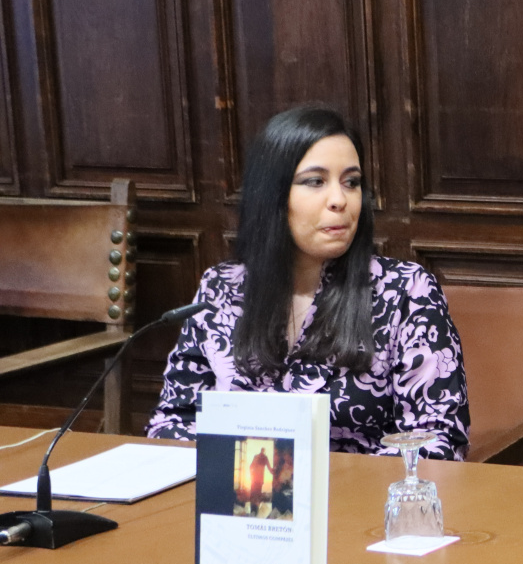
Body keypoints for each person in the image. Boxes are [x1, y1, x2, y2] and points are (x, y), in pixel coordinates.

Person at [146, 106, 470, 460]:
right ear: (272, 196)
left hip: (360, 502)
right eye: (315, 181)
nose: (339, 200)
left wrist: (326, 487)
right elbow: (172, 422)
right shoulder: (220, 290)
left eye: (352, 182)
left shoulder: (406, 291)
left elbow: (439, 438)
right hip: (246, 500)